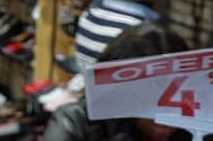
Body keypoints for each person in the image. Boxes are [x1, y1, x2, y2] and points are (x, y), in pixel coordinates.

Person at [45, 24, 190, 141]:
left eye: (178, 104)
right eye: (151, 105)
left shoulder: (194, 127)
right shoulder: (76, 122)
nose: (166, 124)